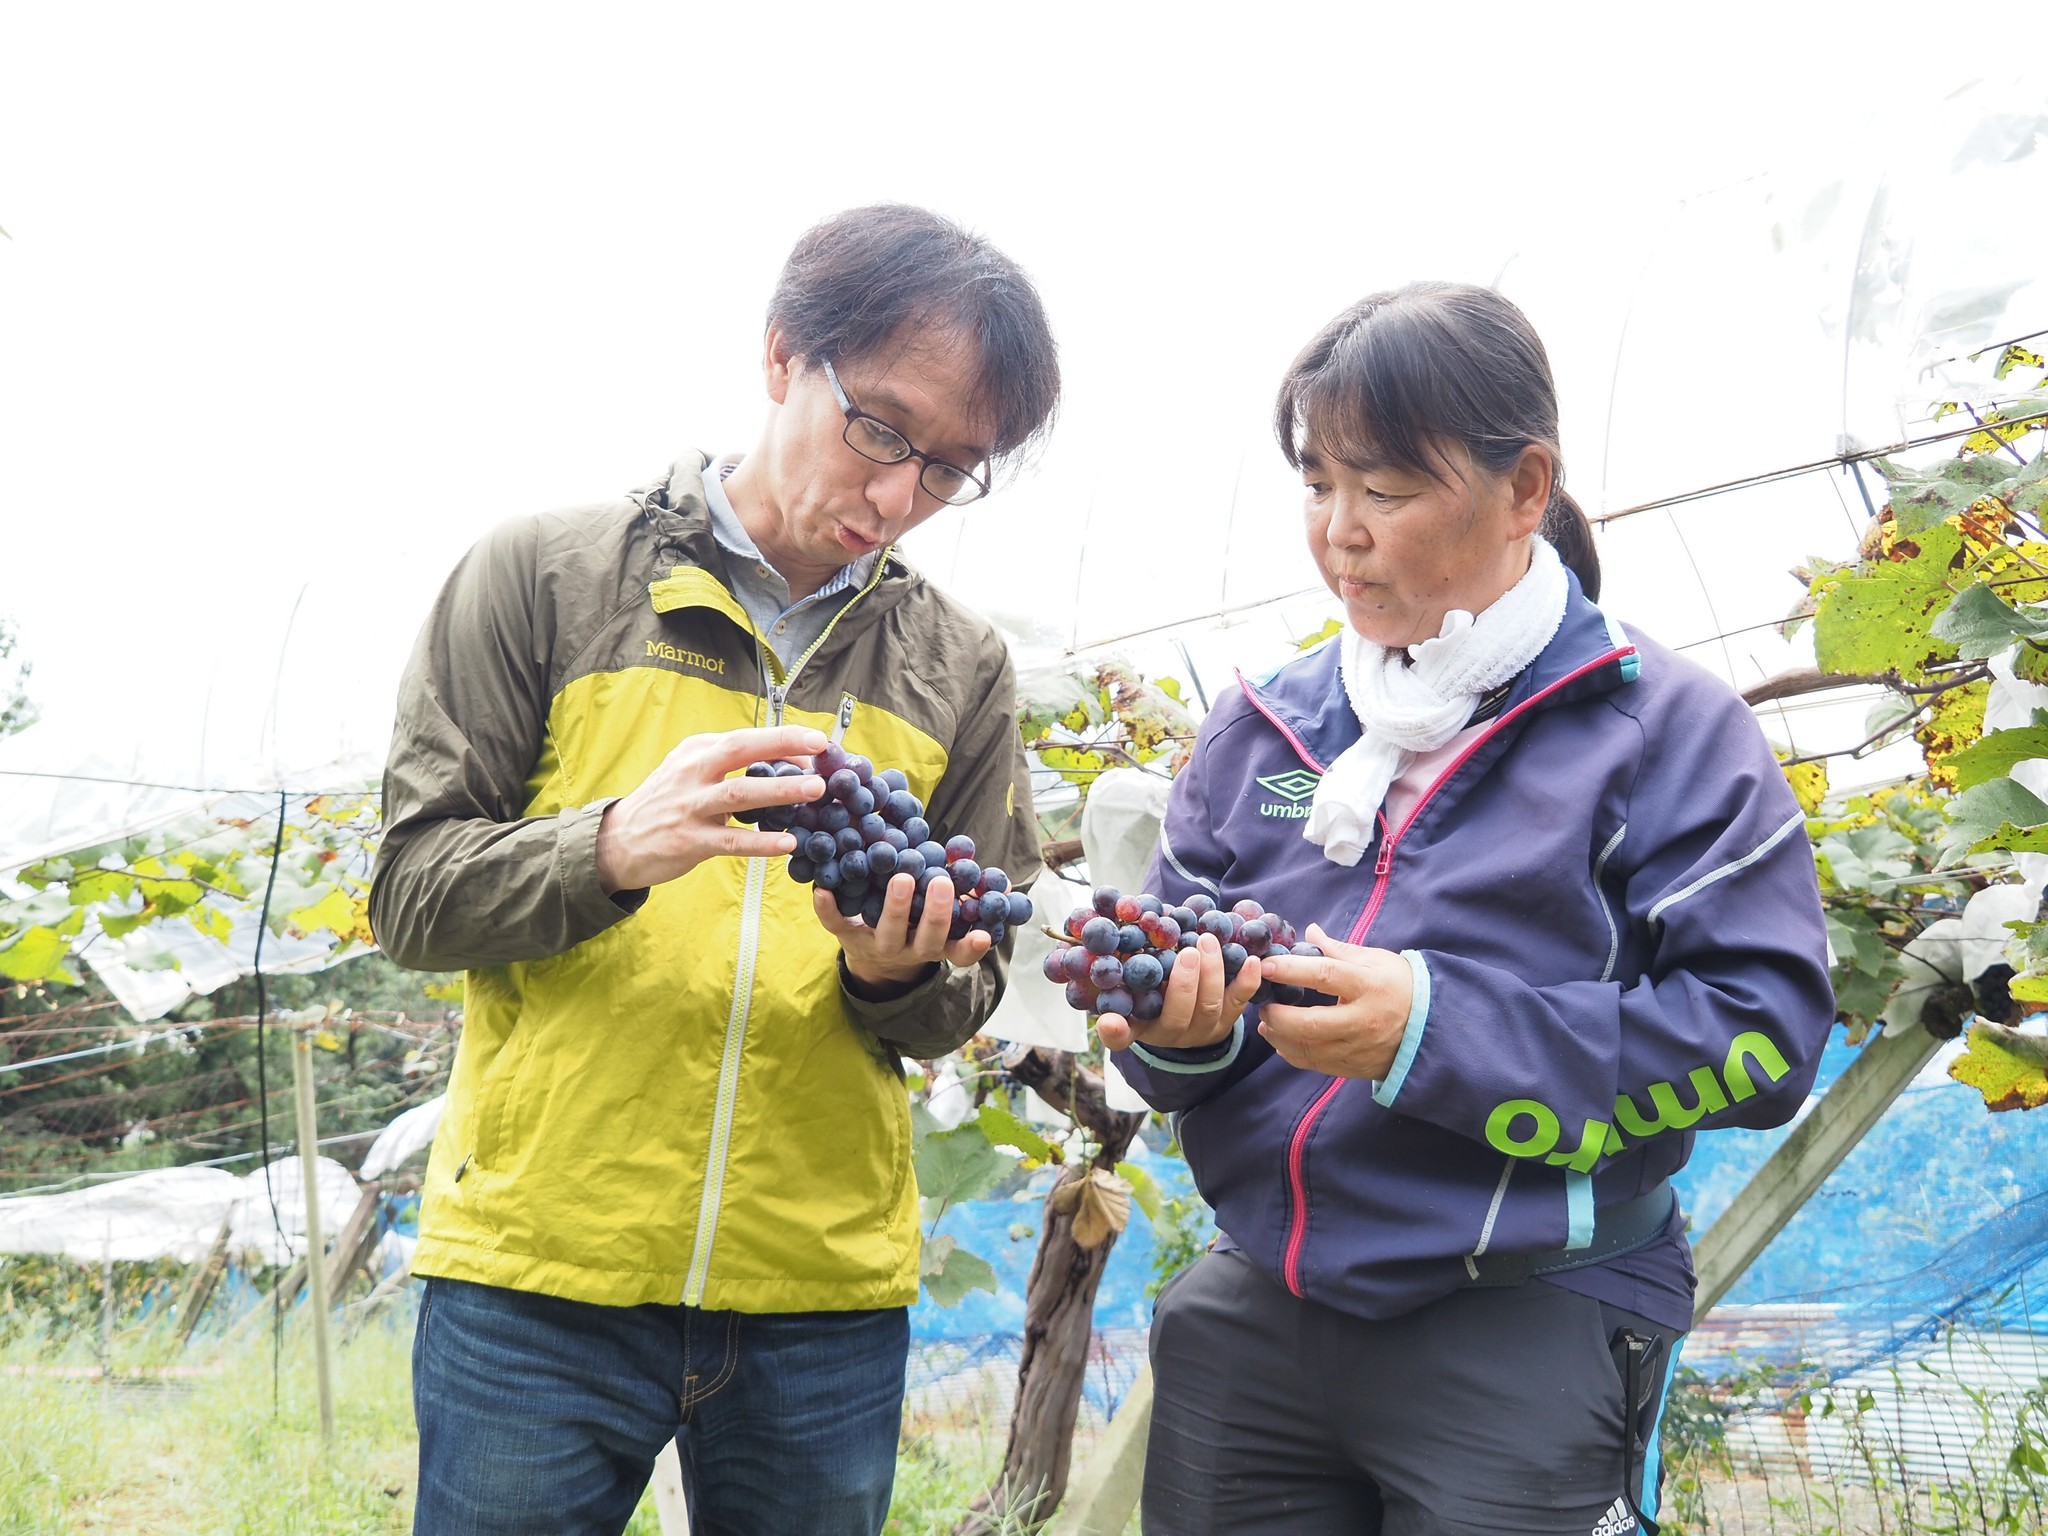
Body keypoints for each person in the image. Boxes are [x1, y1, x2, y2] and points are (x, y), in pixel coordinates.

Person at [368, 204, 1059, 1536]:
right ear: (783, 353)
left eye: (949, 470)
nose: (899, 497)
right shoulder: (545, 578)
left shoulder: (960, 667)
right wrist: (609, 844)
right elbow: (411, 894)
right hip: (542, 1273)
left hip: (819, 1294)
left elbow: (964, 989)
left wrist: (895, 976)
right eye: (882, 431)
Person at [1101, 283, 1833, 1536]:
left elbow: (1763, 1038)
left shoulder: (1659, 733)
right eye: (1317, 485)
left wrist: (1429, 1033)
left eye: (1385, 491)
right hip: (1257, 1312)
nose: (1340, 534)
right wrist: (1182, 1037)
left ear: (1524, 487)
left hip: (1528, 1317)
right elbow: (1176, 1036)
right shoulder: (1263, 731)